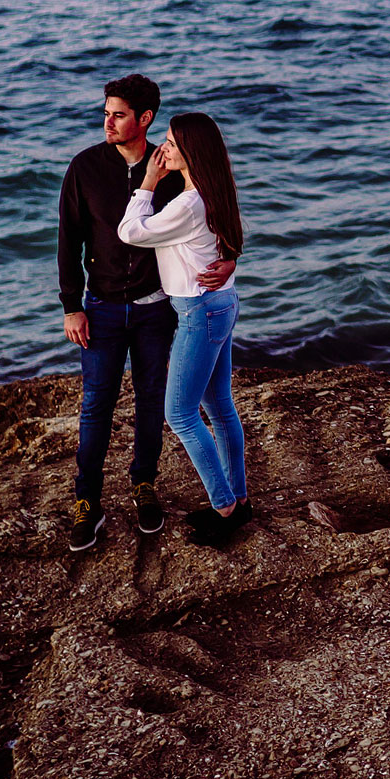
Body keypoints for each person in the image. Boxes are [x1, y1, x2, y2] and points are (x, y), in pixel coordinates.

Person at [58, 75, 234, 552]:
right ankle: (87, 501)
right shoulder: (85, 167)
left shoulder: (173, 164)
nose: (107, 122)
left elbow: (214, 205)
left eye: (117, 114)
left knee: (154, 400)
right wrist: (72, 306)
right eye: (106, 113)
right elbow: (68, 238)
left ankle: (144, 485)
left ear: (145, 118)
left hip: (158, 309)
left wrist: (231, 254)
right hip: (102, 309)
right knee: (97, 405)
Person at [117, 110, 252, 549]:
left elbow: (130, 231)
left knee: (179, 414)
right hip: (222, 303)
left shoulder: (187, 204)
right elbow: (230, 239)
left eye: (172, 143)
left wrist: (148, 182)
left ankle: (225, 506)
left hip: (199, 311)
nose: (164, 148)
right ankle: (239, 497)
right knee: (219, 405)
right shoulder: (215, 189)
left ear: (192, 151)